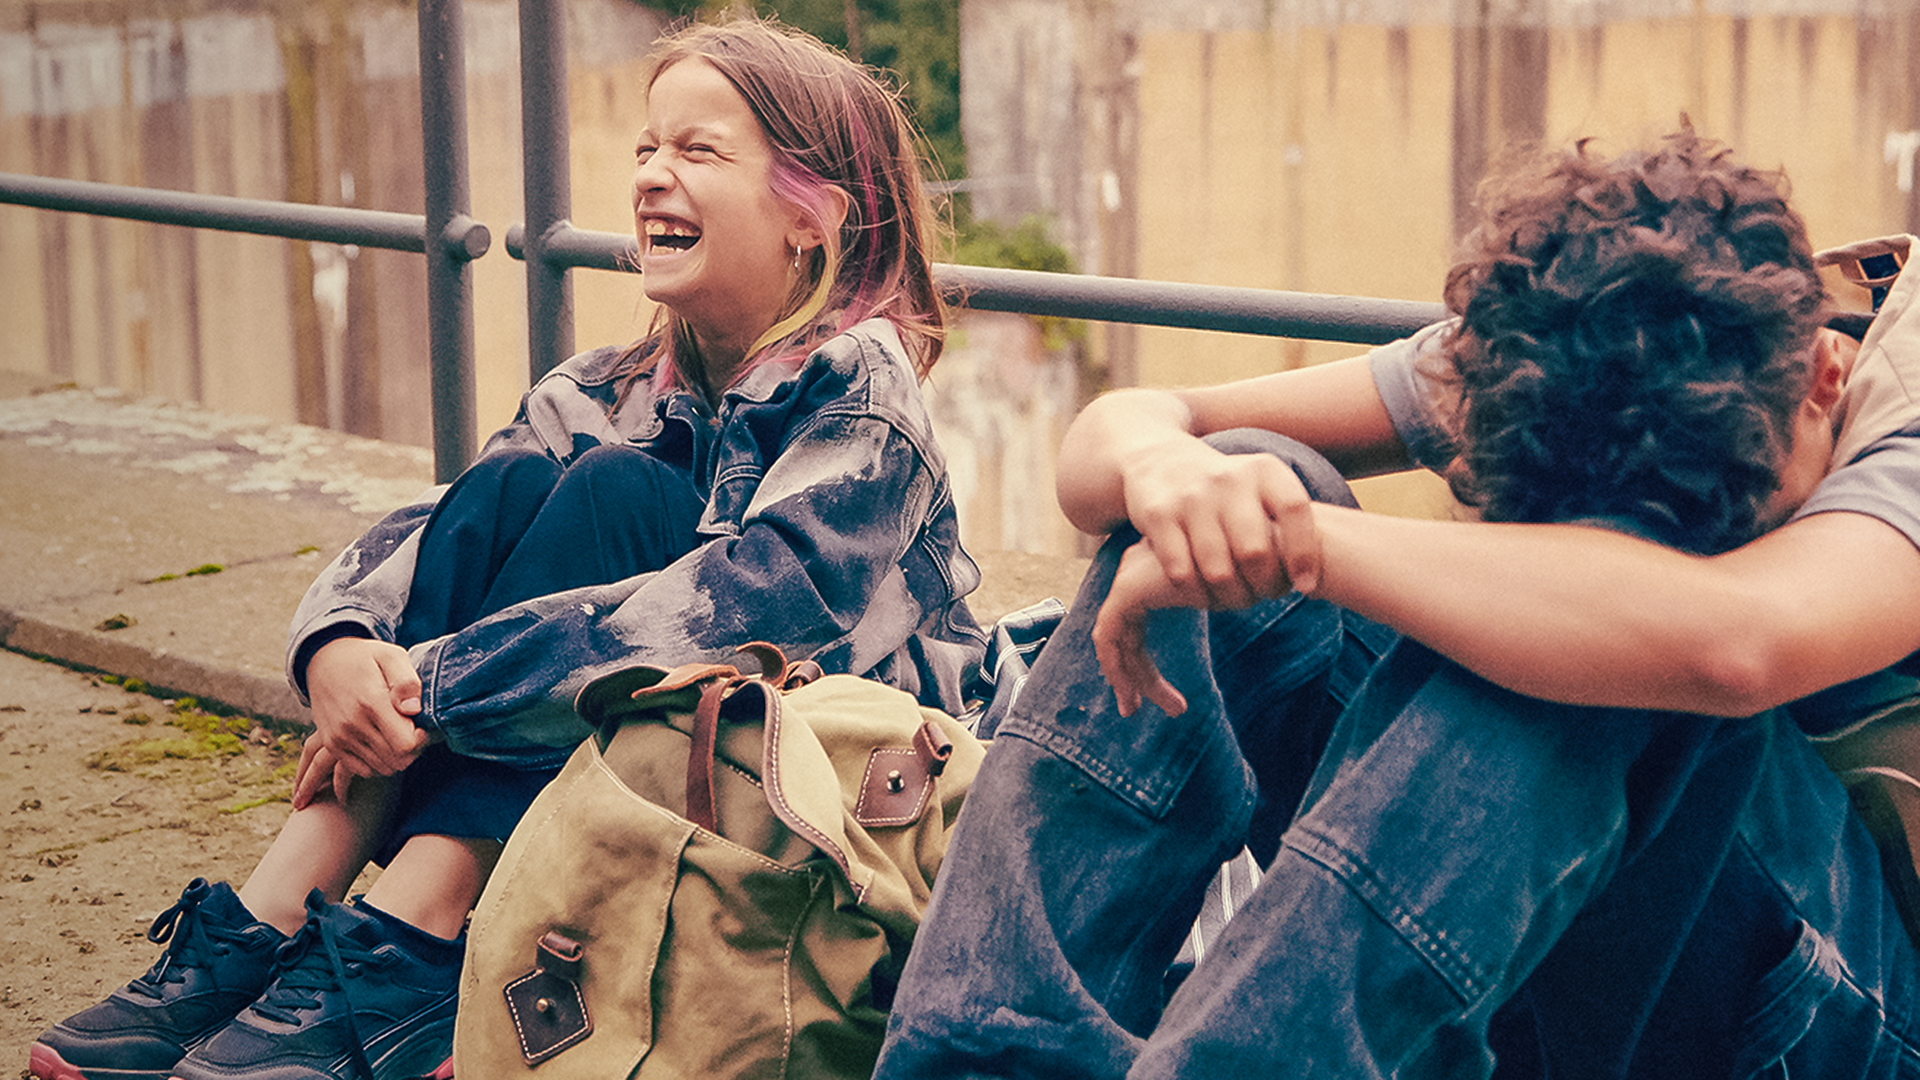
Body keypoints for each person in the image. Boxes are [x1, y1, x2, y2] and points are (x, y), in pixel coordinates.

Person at [30, 17, 984, 1080]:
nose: (653, 177)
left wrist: (428, 689)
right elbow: (444, 526)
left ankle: (420, 925)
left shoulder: (861, 389)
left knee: (618, 491)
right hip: (658, 754)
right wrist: (343, 645)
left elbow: (757, 607)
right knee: (520, 483)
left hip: (822, 773)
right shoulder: (608, 383)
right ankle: (281, 910)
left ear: (815, 218)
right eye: (645, 149)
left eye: (699, 152)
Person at [876, 129, 1920, 1076]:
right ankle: (982, 1057)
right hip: (1590, 927)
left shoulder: (1894, 404)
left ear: (1827, 374)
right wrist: (1177, 482)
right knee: (1247, 473)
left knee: (1589, 652)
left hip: (1837, 1001)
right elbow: (1137, 429)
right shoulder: (1573, 341)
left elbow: (1735, 642)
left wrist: (1301, 544)